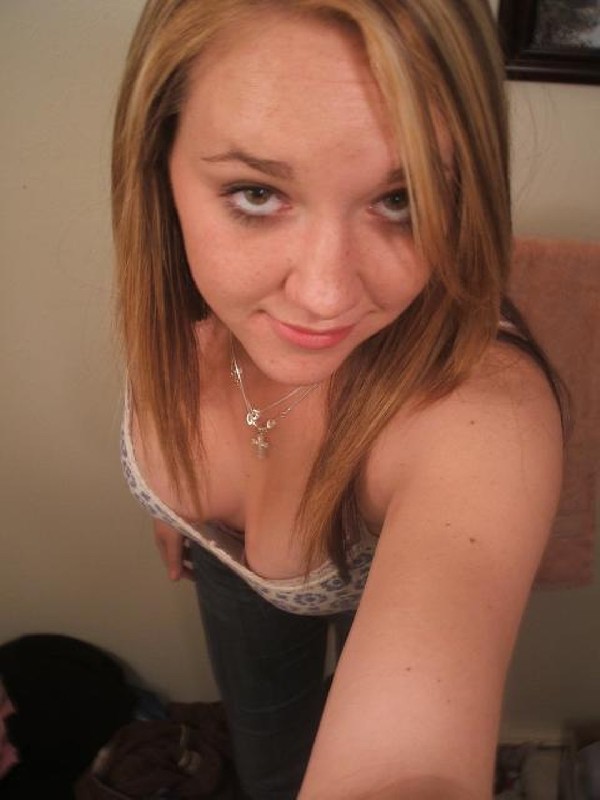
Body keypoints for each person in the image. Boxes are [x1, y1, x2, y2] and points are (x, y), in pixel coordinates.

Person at [112, 1, 566, 798]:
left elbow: (410, 769)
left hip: (367, 586)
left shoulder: (479, 416)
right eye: (256, 193)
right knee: (266, 750)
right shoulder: (180, 301)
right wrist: (174, 501)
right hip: (221, 578)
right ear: (160, 165)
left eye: (402, 198)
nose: (325, 296)